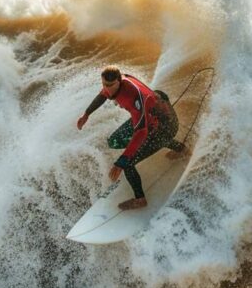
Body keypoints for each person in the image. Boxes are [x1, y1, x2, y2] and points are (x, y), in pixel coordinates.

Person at [76, 66, 187, 210]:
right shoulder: (117, 83)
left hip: (165, 127)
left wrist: (122, 160)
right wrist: (86, 114)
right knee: (115, 141)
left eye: (110, 85)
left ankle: (140, 199)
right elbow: (103, 94)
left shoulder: (133, 97)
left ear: (119, 81)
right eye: (104, 84)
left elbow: (141, 132)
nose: (106, 88)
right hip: (151, 118)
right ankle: (181, 149)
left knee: (127, 164)